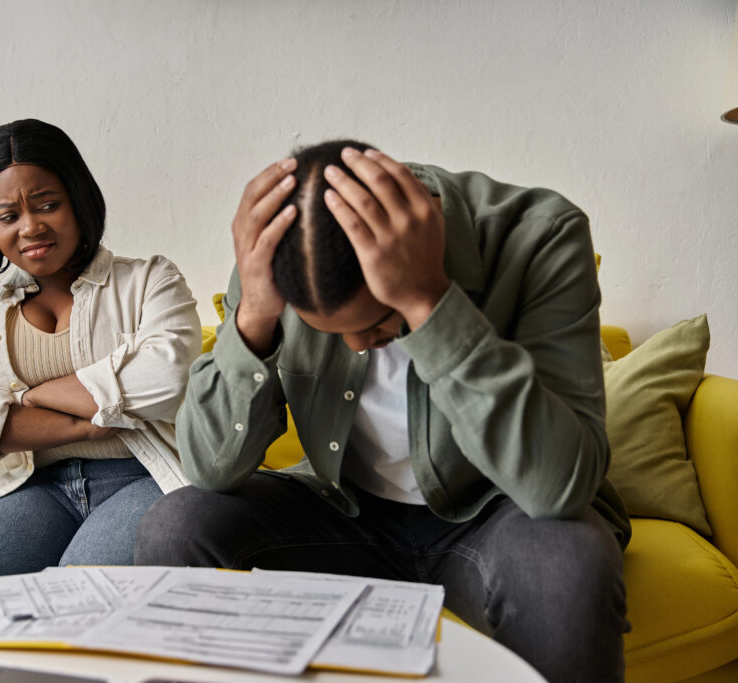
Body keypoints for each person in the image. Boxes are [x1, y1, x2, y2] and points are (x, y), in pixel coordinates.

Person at [135, 140, 631, 683]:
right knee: (176, 527)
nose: (353, 347)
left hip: (495, 514)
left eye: (376, 324)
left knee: (565, 566)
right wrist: (254, 313)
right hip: (344, 514)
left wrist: (430, 304)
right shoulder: (279, 256)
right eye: (332, 331)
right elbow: (210, 467)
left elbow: (559, 486)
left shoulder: (539, 235)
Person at [0, 119, 201, 585]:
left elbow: (168, 380)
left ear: (78, 200)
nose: (31, 227)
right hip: (30, 485)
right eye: (8, 216)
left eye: (48, 205)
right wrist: (82, 424)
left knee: (76, 601)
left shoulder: (151, 279)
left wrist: (28, 398)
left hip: (141, 477)